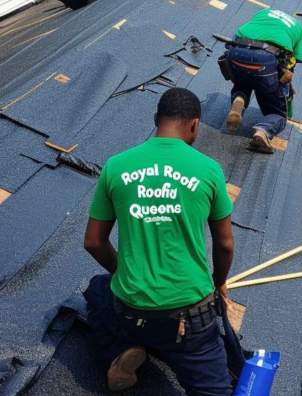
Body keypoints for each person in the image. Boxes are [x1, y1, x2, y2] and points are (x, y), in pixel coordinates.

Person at [83, 88, 236, 394]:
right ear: (194, 125)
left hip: (129, 311)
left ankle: (118, 350)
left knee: (97, 290)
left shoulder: (116, 165)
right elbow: (225, 244)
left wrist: (122, 270)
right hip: (190, 321)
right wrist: (219, 282)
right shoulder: (209, 170)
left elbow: (93, 242)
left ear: (156, 119)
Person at [222, 8, 302, 153]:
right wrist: (286, 91)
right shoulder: (297, 27)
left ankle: (239, 100)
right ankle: (263, 130)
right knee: (278, 114)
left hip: (235, 53)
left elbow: (236, 36)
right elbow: (290, 67)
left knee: (244, 78)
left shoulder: (263, 12)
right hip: (265, 59)